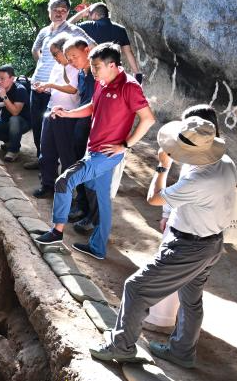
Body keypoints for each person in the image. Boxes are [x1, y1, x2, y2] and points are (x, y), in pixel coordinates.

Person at [90, 116, 237, 367]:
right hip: (212, 243)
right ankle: (182, 352)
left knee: (136, 288)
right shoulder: (226, 162)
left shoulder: (198, 180)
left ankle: (121, 346)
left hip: (188, 247)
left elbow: (154, 198)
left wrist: (162, 166)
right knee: (191, 299)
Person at [34, 43, 156, 260]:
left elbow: (148, 119)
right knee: (102, 200)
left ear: (112, 65)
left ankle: (56, 232)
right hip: (94, 148)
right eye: (92, 66)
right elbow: (92, 106)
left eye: (97, 67)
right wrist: (67, 113)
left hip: (107, 154)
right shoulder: (102, 81)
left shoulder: (129, 86)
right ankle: (98, 248)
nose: (93, 71)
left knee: (64, 181)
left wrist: (125, 145)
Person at [144, 104, 222, 332]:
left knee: (158, 278)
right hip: (206, 232)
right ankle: (180, 335)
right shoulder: (212, 156)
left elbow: (155, 197)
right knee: (191, 293)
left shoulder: (202, 165)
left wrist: (162, 167)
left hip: (188, 231)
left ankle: (161, 321)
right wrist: (167, 213)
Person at [27, 0, 92, 169]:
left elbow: (92, 47)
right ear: (49, 11)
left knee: (61, 132)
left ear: (68, 13)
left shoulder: (74, 31)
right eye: (55, 10)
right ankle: (42, 160)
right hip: (38, 84)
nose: (59, 13)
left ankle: (64, 169)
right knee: (39, 125)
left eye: (63, 11)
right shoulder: (44, 31)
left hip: (61, 90)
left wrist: (83, 69)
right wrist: (43, 64)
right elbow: (35, 49)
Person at [32, 36, 80, 197]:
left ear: (65, 51)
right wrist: (44, 88)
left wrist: (50, 84)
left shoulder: (76, 67)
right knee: (46, 151)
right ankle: (47, 185)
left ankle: (65, 191)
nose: (54, 58)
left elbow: (73, 89)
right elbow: (54, 89)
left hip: (68, 114)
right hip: (51, 110)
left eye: (55, 54)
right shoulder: (57, 66)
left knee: (66, 155)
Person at [61, 37, 100, 233]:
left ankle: (92, 217)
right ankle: (82, 205)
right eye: (68, 58)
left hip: (93, 129)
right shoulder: (83, 74)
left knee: (91, 173)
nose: (71, 62)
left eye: (74, 56)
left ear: (87, 51)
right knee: (80, 166)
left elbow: (93, 105)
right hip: (81, 126)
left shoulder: (97, 75)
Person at [71, 2, 141, 81]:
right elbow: (128, 52)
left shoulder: (88, 25)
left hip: (94, 72)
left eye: (89, 14)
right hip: (114, 72)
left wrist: (81, 14)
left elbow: (66, 26)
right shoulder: (120, 29)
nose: (88, 16)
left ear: (95, 15)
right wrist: (137, 73)